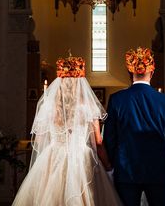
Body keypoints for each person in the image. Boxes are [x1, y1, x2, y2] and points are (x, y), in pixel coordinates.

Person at [13, 54, 121, 205]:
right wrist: (108, 165)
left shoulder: (50, 106)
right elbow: (98, 141)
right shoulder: (87, 107)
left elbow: (38, 141)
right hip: (82, 158)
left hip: (54, 156)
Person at [104, 47, 165, 206]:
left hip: (126, 170)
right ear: (152, 73)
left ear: (129, 72)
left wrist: (113, 162)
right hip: (157, 169)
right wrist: (158, 149)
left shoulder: (116, 99)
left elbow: (109, 139)